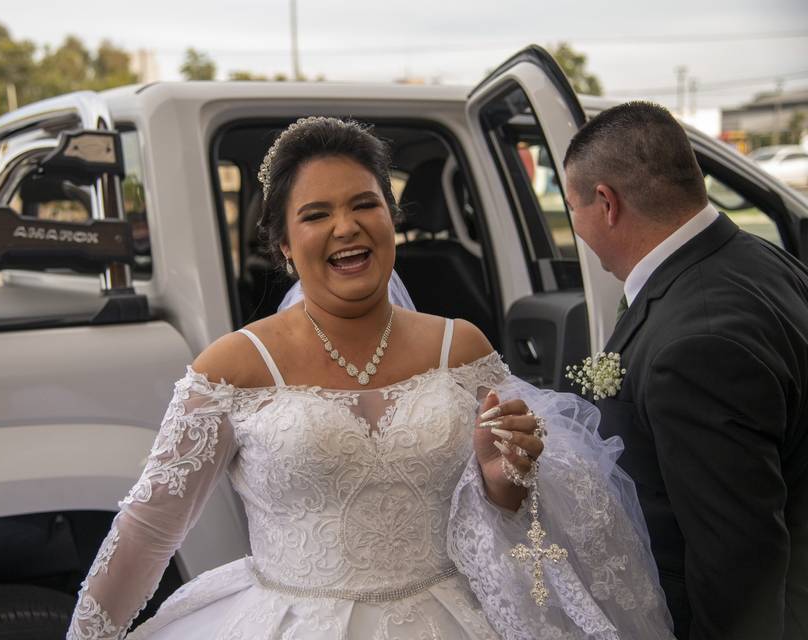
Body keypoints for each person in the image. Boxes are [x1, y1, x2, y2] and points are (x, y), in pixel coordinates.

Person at [68, 116, 673, 639]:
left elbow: (510, 519)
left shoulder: (460, 348)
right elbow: (148, 530)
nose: (347, 227)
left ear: (391, 217)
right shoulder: (231, 368)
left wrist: (502, 480)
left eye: (364, 204)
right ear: (283, 244)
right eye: (316, 214)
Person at [563, 101, 808, 639]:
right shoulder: (762, 260)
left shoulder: (693, 347)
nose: (574, 226)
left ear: (605, 202)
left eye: (572, 207)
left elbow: (738, 558)